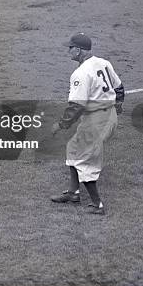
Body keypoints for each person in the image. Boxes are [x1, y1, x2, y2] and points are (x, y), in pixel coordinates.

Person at [51, 33, 125, 215]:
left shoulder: (80, 73)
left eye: (71, 47)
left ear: (79, 50)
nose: (68, 51)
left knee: (85, 159)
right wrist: (117, 107)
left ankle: (97, 205)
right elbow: (119, 87)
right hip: (108, 116)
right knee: (73, 148)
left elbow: (76, 106)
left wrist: (61, 125)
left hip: (96, 121)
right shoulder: (104, 63)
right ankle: (73, 193)